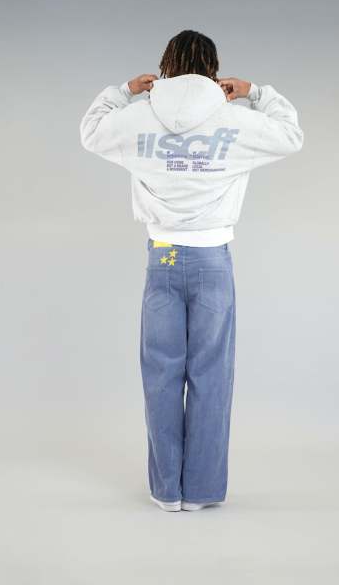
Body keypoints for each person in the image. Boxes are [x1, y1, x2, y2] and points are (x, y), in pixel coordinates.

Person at [80, 29, 304, 513]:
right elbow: (291, 134)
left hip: (161, 257)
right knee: (211, 375)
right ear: (213, 70)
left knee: (160, 375)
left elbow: (91, 130)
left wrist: (124, 91)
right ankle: (201, 491)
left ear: (166, 65)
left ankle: (167, 491)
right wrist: (255, 93)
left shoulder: (140, 116)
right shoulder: (234, 118)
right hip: (212, 261)